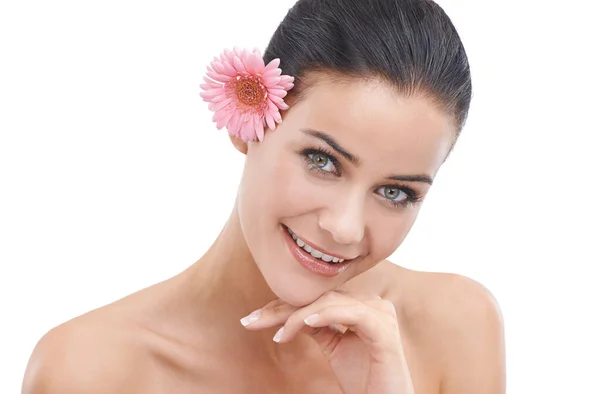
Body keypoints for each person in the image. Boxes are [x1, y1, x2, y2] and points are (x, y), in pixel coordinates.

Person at [22, 0, 505, 393]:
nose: (345, 227)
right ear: (249, 119)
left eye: (395, 192)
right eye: (323, 161)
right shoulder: (90, 373)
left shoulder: (456, 328)